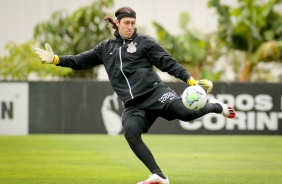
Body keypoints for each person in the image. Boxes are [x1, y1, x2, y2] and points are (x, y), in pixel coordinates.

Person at [35, 6, 236, 184]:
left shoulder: (144, 42)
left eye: (133, 23)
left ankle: (217, 107)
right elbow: (80, 61)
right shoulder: (105, 48)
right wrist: (55, 59)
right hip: (134, 105)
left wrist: (190, 81)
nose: (130, 26)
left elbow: (168, 62)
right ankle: (159, 176)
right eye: (126, 23)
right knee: (130, 132)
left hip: (156, 93)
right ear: (117, 23)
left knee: (186, 114)